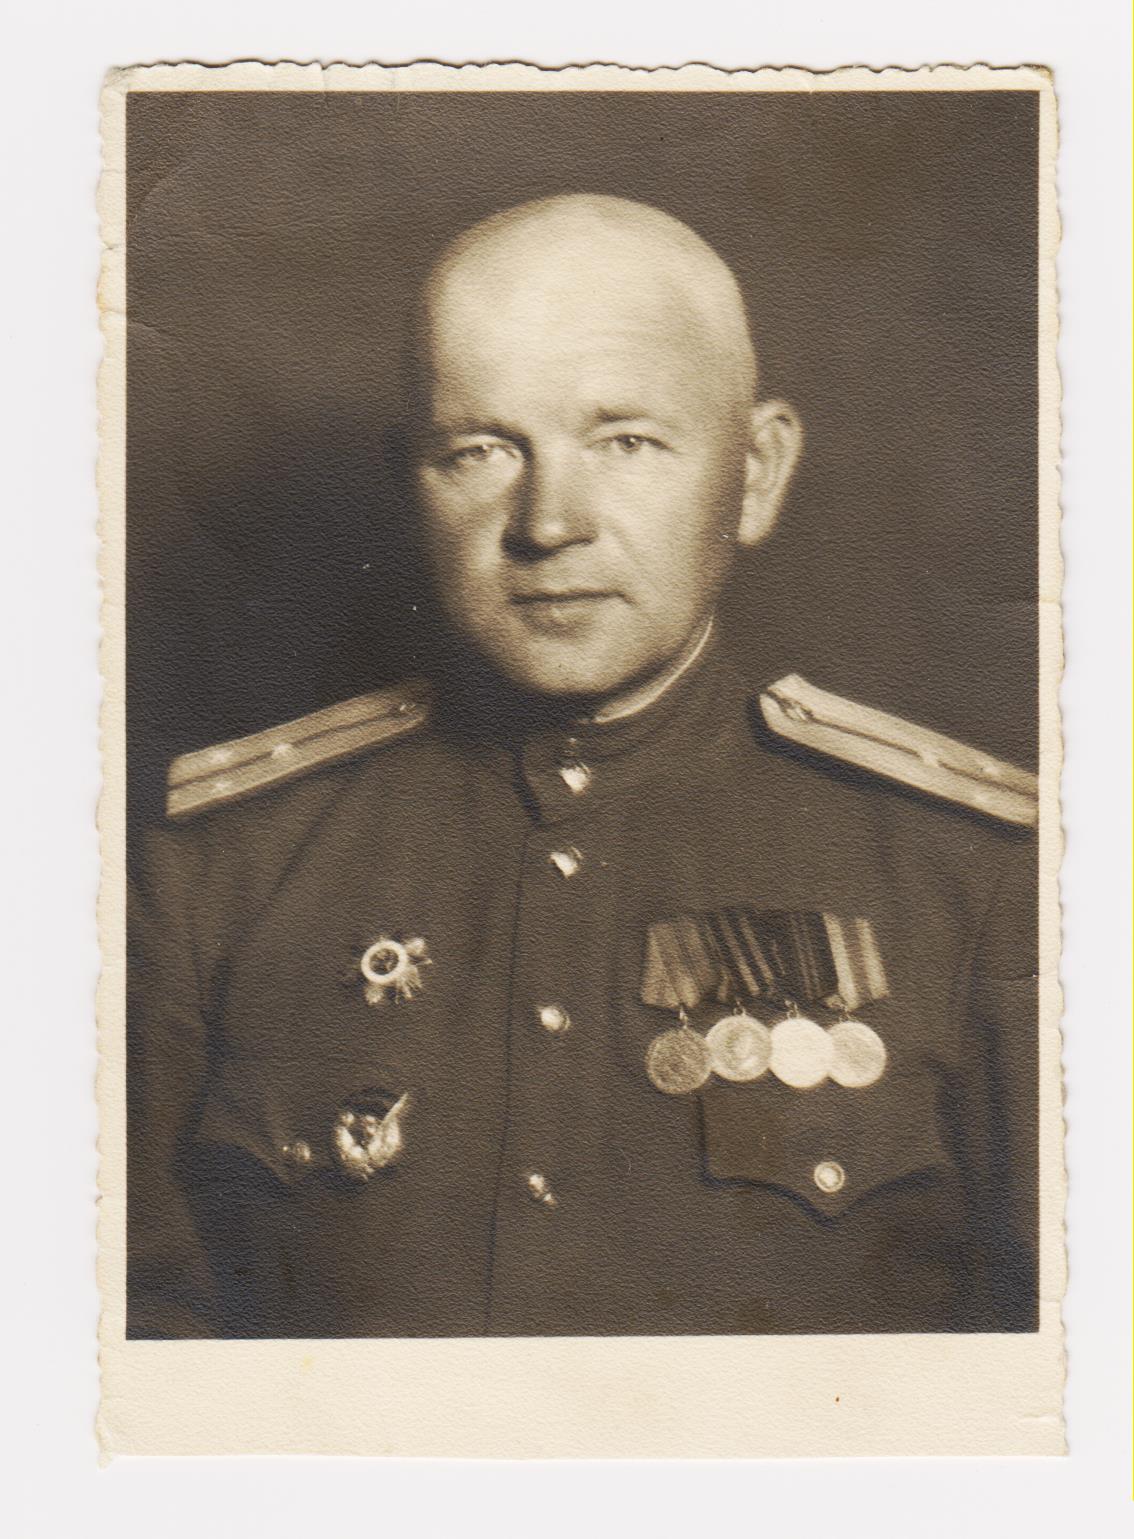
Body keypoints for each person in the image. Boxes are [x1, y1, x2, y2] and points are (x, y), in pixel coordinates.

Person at [127, 194, 1038, 1339]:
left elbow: (1066, 1384)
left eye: (626, 443)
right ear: (410, 482)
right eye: (481, 451)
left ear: (756, 471)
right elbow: (117, 1354)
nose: (550, 522)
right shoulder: (220, 867)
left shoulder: (974, 878)